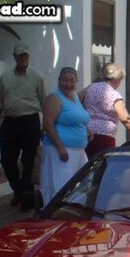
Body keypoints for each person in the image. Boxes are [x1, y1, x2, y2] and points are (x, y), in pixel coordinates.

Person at [0, 42, 46, 209]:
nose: (23, 58)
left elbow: (44, 103)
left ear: (29, 57)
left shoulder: (37, 77)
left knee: (28, 162)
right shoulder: (5, 77)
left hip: (30, 122)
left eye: (25, 55)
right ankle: (20, 191)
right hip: (10, 122)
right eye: (20, 55)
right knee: (7, 160)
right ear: (14, 57)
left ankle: (26, 199)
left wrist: (45, 127)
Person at [40, 67, 91, 204]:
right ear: (59, 81)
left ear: (76, 82)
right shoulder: (54, 98)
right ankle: (56, 212)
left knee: (80, 183)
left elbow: (78, 117)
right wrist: (60, 147)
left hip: (78, 150)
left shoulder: (74, 97)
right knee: (61, 184)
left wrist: (87, 129)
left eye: (72, 81)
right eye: (64, 80)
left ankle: (73, 211)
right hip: (60, 150)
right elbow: (48, 124)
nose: (68, 84)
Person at [83, 63, 130, 159]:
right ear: (118, 80)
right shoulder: (114, 95)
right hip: (104, 136)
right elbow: (125, 118)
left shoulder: (91, 87)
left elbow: (78, 99)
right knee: (104, 166)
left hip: (87, 133)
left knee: (89, 164)